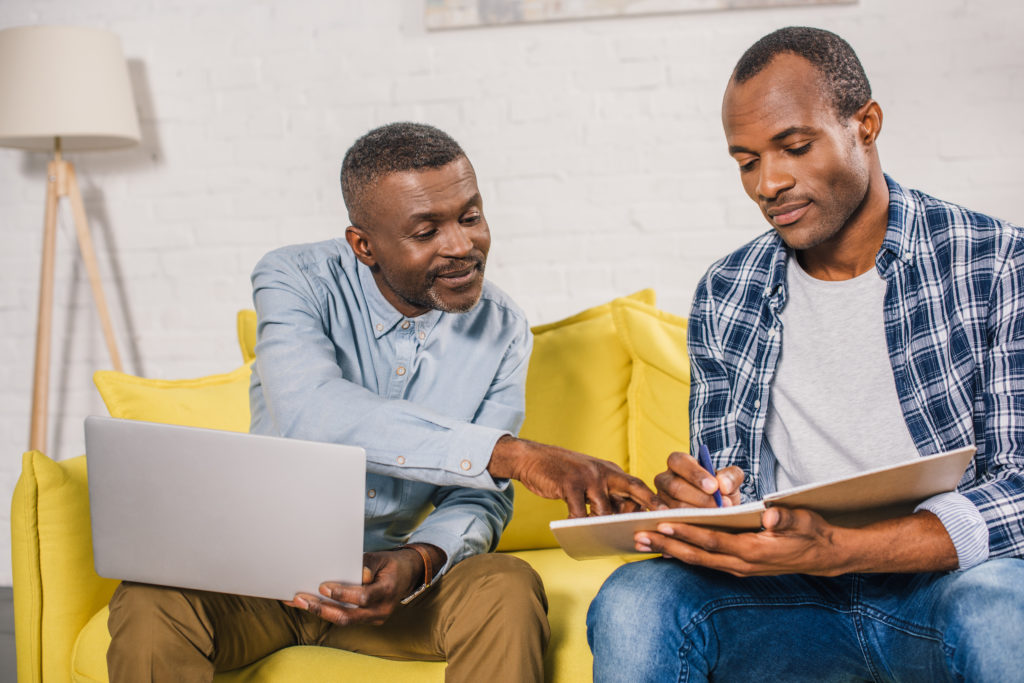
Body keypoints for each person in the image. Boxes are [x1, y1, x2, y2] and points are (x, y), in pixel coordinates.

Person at [106, 122, 659, 682]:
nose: (462, 246)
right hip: (262, 582)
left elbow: (479, 500)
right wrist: (509, 455)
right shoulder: (295, 279)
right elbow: (312, 413)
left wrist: (417, 563)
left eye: (470, 216)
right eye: (427, 231)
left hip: (395, 593)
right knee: (152, 597)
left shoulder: (504, 330)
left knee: (507, 586)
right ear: (363, 245)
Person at [587, 26, 1024, 682]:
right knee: (634, 600)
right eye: (746, 161)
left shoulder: (992, 261)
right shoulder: (727, 291)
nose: (769, 183)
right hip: (790, 602)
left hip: (940, 590)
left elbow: (1018, 486)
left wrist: (840, 548)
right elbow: (731, 475)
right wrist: (707, 499)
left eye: (794, 146)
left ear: (865, 125)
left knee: (1001, 609)